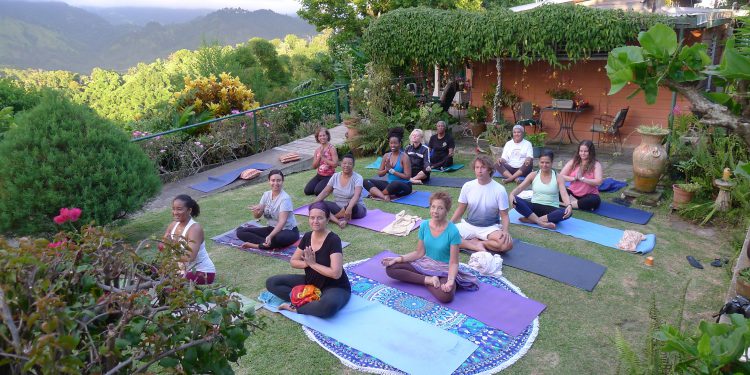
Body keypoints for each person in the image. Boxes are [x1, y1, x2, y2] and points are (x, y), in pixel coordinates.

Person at [381, 192, 477, 303]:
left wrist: (450, 281)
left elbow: (454, 262)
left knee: (446, 296)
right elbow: (419, 253)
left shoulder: (453, 231)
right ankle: (428, 280)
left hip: (444, 269)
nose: (435, 211)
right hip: (425, 263)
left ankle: (426, 279)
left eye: (440, 208)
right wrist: (398, 258)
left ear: (447, 211)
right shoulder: (424, 225)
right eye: (433, 207)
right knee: (391, 268)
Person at [266, 202, 351, 318]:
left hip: (334, 286)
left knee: (328, 306)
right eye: (312, 218)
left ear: (327, 220)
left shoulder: (333, 240)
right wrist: (307, 263)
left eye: (320, 218)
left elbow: (336, 274)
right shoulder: (307, 236)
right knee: (272, 282)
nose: (315, 221)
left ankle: (297, 308)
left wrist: (313, 264)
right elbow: (293, 261)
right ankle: (310, 300)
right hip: (311, 283)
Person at [451, 155, 513, 253]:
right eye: (477, 167)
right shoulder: (468, 186)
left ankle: (481, 243)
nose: (479, 170)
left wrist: (505, 231)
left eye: (483, 167)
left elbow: (504, 216)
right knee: (444, 234)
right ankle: (474, 246)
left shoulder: (499, 190)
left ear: (489, 170)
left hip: (490, 228)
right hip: (469, 225)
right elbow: (460, 209)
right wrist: (450, 224)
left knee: (506, 245)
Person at [509, 150, 573, 229]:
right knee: (516, 200)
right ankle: (541, 222)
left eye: (547, 163)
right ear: (539, 162)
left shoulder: (558, 177)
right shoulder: (533, 175)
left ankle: (533, 220)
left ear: (552, 163)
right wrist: (512, 194)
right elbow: (520, 187)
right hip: (533, 209)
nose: (544, 165)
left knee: (567, 212)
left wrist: (569, 205)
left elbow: (564, 194)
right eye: (542, 162)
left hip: (551, 211)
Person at [236, 170, 299, 250]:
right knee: (241, 232)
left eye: (278, 180)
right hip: (271, 228)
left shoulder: (285, 199)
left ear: (282, 181)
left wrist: (270, 236)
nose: (275, 183)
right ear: (269, 181)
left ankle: (257, 245)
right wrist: (257, 210)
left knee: (279, 238)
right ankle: (268, 244)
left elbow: (282, 222)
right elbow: (257, 216)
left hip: (287, 231)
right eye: (273, 180)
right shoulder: (266, 195)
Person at [163, 194, 216, 284]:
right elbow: (164, 247)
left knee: (171, 284)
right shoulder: (173, 225)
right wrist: (166, 244)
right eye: (173, 208)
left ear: (189, 210)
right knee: (153, 271)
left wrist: (171, 246)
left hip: (202, 272)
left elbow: (190, 257)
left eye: (179, 209)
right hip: (180, 270)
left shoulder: (195, 229)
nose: (175, 212)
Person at [313, 153, 367, 229]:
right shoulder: (335, 176)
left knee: (352, 206)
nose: (346, 165)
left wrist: (349, 208)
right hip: (338, 206)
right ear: (341, 164)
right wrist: (315, 203)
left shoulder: (358, 178)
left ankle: (333, 217)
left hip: (355, 208)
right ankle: (338, 221)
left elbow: (356, 196)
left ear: (353, 166)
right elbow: (325, 191)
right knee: (320, 204)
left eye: (350, 164)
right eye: (344, 163)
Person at [363, 134, 412, 201]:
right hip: (389, 184)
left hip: (403, 185)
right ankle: (383, 196)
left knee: (395, 183)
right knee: (365, 181)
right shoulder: (386, 156)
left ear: (400, 144)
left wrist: (392, 171)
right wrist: (386, 169)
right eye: (391, 143)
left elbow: (407, 177)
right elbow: (380, 174)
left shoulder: (404, 157)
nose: (393, 145)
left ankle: (376, 193)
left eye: (395, 143)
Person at [560, 140, 603, 211]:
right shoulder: (573, 162)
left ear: (591, 152)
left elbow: (599, 182)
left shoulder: (596, 164)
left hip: (588, 195)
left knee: (594, 201)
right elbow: (560, 176)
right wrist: (574, 178)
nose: (583, 153)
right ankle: (575, 204)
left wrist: (583, 179)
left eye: (586, 151)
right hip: (572, 194)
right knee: (557, 191)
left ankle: (566, 204)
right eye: (581, 151)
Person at [304, 127, 338, 196]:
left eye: (324, 135)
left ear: (327, 136)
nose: (322, 137)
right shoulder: (317, 150)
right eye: (320, 136)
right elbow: (314, 166)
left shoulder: (331, 148)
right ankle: (326, 186)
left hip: (329, 176)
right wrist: (319, 157)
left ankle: (333, 184)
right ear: (318, 138)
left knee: (317, 192)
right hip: (319, 175)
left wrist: (323, 157)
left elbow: (335, 164)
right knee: (307, 191)